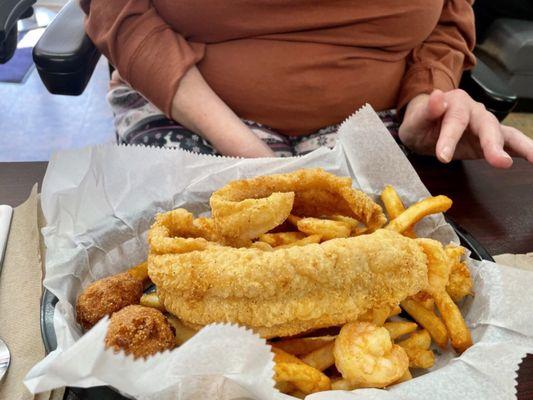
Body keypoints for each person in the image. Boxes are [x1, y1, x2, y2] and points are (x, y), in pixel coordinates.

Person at [80, 0, 533, 167]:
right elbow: (118, 8)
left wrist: (425, 100)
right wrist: (249, 151)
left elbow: (449, 15)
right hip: (187, 112)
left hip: (384, 121)